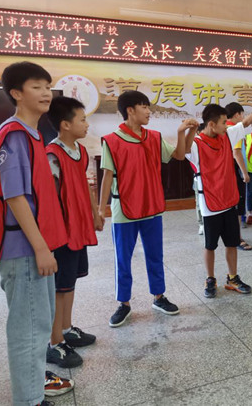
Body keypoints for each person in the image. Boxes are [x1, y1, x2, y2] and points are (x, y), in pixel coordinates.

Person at [0, 61, 74, 405]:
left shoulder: (33, 134)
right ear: (16, 93)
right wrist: (40, 248)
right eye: (36, 86)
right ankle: (29, 400)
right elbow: (15, 196)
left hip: (35, 246)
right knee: (28, 329)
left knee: (39, 324)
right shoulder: (15, 135)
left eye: (47, 86)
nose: (46, 93)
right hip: (24, 250)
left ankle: (34, 386)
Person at [98, 90, 198, 327]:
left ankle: (159, 297)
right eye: (144, 107)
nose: (148, 111)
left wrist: (186, 132)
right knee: (123, 258)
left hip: (152, 207)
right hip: (124, 210)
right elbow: (107, 177)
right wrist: (101, 209)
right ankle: (124, 303)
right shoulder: (112, 141)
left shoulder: (153, 137)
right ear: (130, 110)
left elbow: (180, 155)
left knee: (155, 255)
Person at [187, 103, 252, 298]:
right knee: (210, 245)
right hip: (209, 205)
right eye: (224, 122)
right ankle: (210, 279)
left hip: (229, 201)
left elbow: (245, 123)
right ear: (211, 124)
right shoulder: (196, 145)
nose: (227, 126)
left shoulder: (226, 135)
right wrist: (184, 131)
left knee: (232, 243)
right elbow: (181, 151)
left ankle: (232, 278)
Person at [45, 96, 103, 369]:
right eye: (82, 119)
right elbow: (49, 200)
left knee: (70, 282)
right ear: (65, 124)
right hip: (63, 233)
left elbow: (86, 184)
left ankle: (67, 329)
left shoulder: (80, 151)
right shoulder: (52, 155)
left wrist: (95, 213)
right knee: (59, 287)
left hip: (79, 228)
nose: (87, 124)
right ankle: (54, 342)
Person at [225, 102, 252, 250]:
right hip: (235, 172)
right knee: (237, 207)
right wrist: (245, 173)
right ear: (237, 114)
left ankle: (233, 236)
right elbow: (236, 153)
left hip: (226, 173)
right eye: (242, 115)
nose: (243, 118)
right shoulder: (234, 130)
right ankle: (237, 238)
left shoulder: (224, 128)